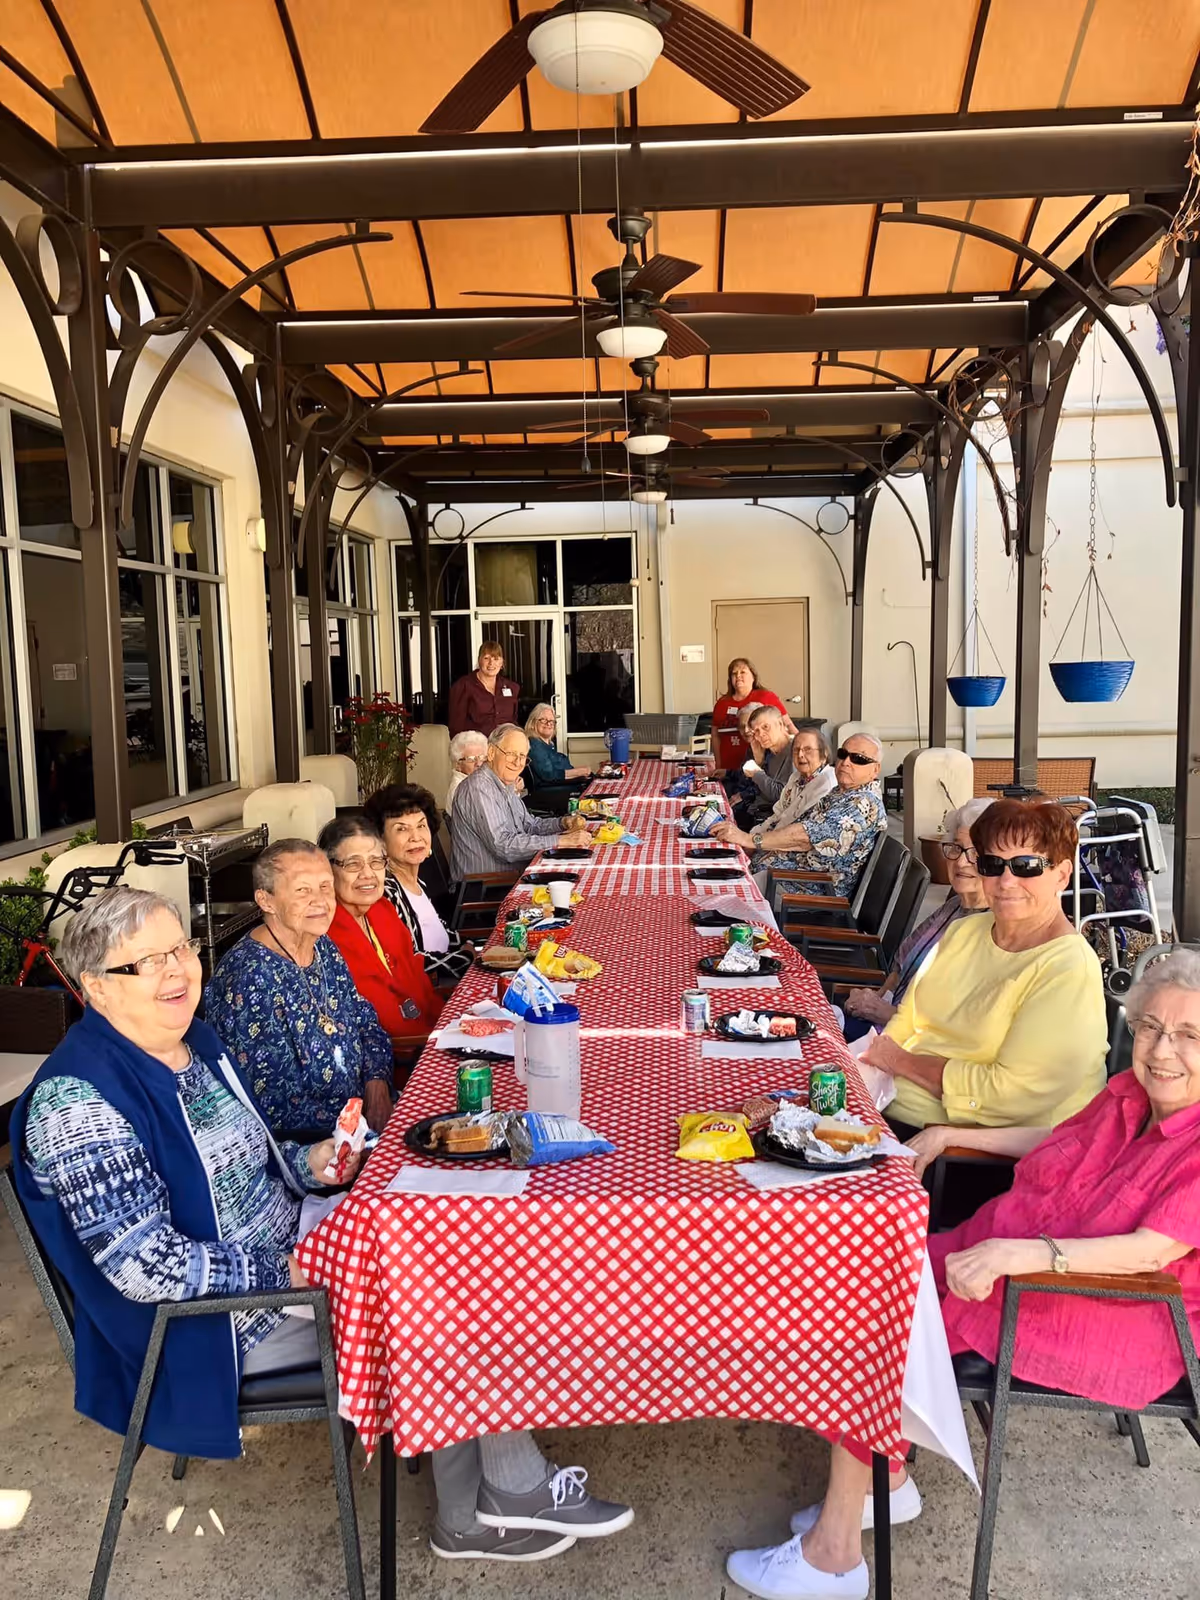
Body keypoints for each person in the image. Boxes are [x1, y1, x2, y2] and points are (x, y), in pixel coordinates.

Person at [726, 948, 1200, 1600]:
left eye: (1188, 1035)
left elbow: (1150, 1251)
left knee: (876, 1328)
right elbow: (1060, 1138)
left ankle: (832, 1557)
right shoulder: (1130, 1094)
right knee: (863, 1276)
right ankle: (883, 1483)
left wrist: (1026, 1255)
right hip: (1012, 1256)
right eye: (1150, 1027)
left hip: (1102, 1307)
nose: (1161, 1048)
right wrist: (948, 1134)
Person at [11, 887, 367, 1463]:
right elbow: (144, 1265)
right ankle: (491, 1494)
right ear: (96, 987)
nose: (177, 969)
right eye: (148, 961)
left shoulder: (190, 1041)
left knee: (439, 1246)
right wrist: (287, 1269)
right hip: (217, 1326)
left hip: (296, 1245)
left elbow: (237, 1163)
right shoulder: (77, 1101)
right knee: (429, 1315)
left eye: (180, 949)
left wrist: (309, 1163)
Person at [863, 799, 1107, 1134]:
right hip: (883, 1106)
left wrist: (899, 1062)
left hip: (966, 1154)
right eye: (992, 864)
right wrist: (876, 1069)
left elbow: (1009, 1095)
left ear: (1062, 874)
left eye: (1026, 865)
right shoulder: (964, 931)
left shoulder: (1067, 968)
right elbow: (907, 1020)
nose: (1006, 881)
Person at [204, 839, 395, 1138]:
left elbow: (365, 1021)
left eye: (324, 887)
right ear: (266, 901)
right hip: (317, 1150)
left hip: (365, 1117)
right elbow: (274, 1107)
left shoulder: (323, 946)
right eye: (302, 890)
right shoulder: (249, 978)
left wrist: (377, 1083)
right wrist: (363, 1129)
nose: (320, 901)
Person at [840, 797, 993, 1039]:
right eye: (956, 847)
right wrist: (872, 1001)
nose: (962, 861)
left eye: (976, 852)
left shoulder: (995, 931)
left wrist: (882, 1012)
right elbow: (899, 967)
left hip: (911, 1049)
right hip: (881, 1027)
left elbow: (951, 1030)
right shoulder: (954, 907)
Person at [319, 814, 444, 1044]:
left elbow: (417, 977)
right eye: (353, 864)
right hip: (401, 1054)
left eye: (376, 862)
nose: (368, 874)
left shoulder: (382, 908)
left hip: (428, 1031)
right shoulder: (325, 934)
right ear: (328, 870)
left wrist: (449, 1022)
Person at [731, 733, 886, 900]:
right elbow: (792, 821)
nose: (846, 762)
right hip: (780, 877)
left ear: (875, 770)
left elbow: (803, 836)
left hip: (808, 894)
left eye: (859, 759)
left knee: (723, 895)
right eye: (843, 754)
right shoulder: (841, 793)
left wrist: (751, 840)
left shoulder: (862, 804)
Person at [450, 724, 594, 879]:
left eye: (523, 756)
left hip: (511, 876)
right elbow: (503, 846)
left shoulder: (505, 782)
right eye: (511, 754)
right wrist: (561, 840)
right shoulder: (478, 788)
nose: (518, 763)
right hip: (486, 887)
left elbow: (529, 825)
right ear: (491, 753)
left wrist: (562, 823)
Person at [366, 781, 472, 985]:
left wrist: (471, 946)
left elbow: (438, 934)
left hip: (452, 979)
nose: (416, 837)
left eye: (421, 826)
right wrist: (467, 958)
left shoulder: (417, 883)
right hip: (434, 992)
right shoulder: (387, 892)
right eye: (401, 829)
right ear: (380, 839)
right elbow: (411, 961)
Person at [711, 658, 788, 770]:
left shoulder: (766, 697)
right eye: (734, 673)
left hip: (760, 762)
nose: (738, 676)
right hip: (729, 764)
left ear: (753, 677)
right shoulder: (722, 703)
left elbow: (787, 725)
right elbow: (715, 736)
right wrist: (718, 764)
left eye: (743, 672)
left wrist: (800, 744)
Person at [732, 705, 800, 828]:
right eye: (756, 731)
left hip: (776, 821)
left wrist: (757, 772)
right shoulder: (767, 751)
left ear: (780, 724)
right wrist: (760, 761)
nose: (761, 734)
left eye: (765, 727)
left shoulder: (795, 751)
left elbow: (782, 795)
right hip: (757, 813)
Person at [448, 641, 520, 738]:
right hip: (476, 745)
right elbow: (456, 726)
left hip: (506, 743)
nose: (491, 663)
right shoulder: (464, 686)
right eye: (486, 658)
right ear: (479, 660)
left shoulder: (512, 687)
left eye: (496, 658)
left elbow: (513, 720)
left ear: (502, 662)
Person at [524, 703, 592, 788]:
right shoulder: (535, 745)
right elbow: (549, 775)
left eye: (551, 721)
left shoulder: (548, 745)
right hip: (548, 791)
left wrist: (581, 772)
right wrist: (578, 772)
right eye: (543, 720)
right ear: (533, 723)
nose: (548, 724)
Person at [446, 730, 488, 815]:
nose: (478, 764)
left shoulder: (477, 780)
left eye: (481, 757)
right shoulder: (462, 790)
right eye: (471, 759)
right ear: (458, 764)